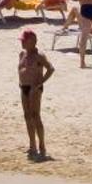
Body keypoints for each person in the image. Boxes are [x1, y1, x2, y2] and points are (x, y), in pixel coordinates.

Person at [18, 31, 54, 161]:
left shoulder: (39, 56)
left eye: (24, 40)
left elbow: (50, 69)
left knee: (35, 115)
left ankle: (42, 145)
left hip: (35, 88)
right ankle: (32, 144)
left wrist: (39, 84)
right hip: (24, 88)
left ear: (32, 41)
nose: (22, 42)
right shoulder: (22, 54)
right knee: (27, 116)